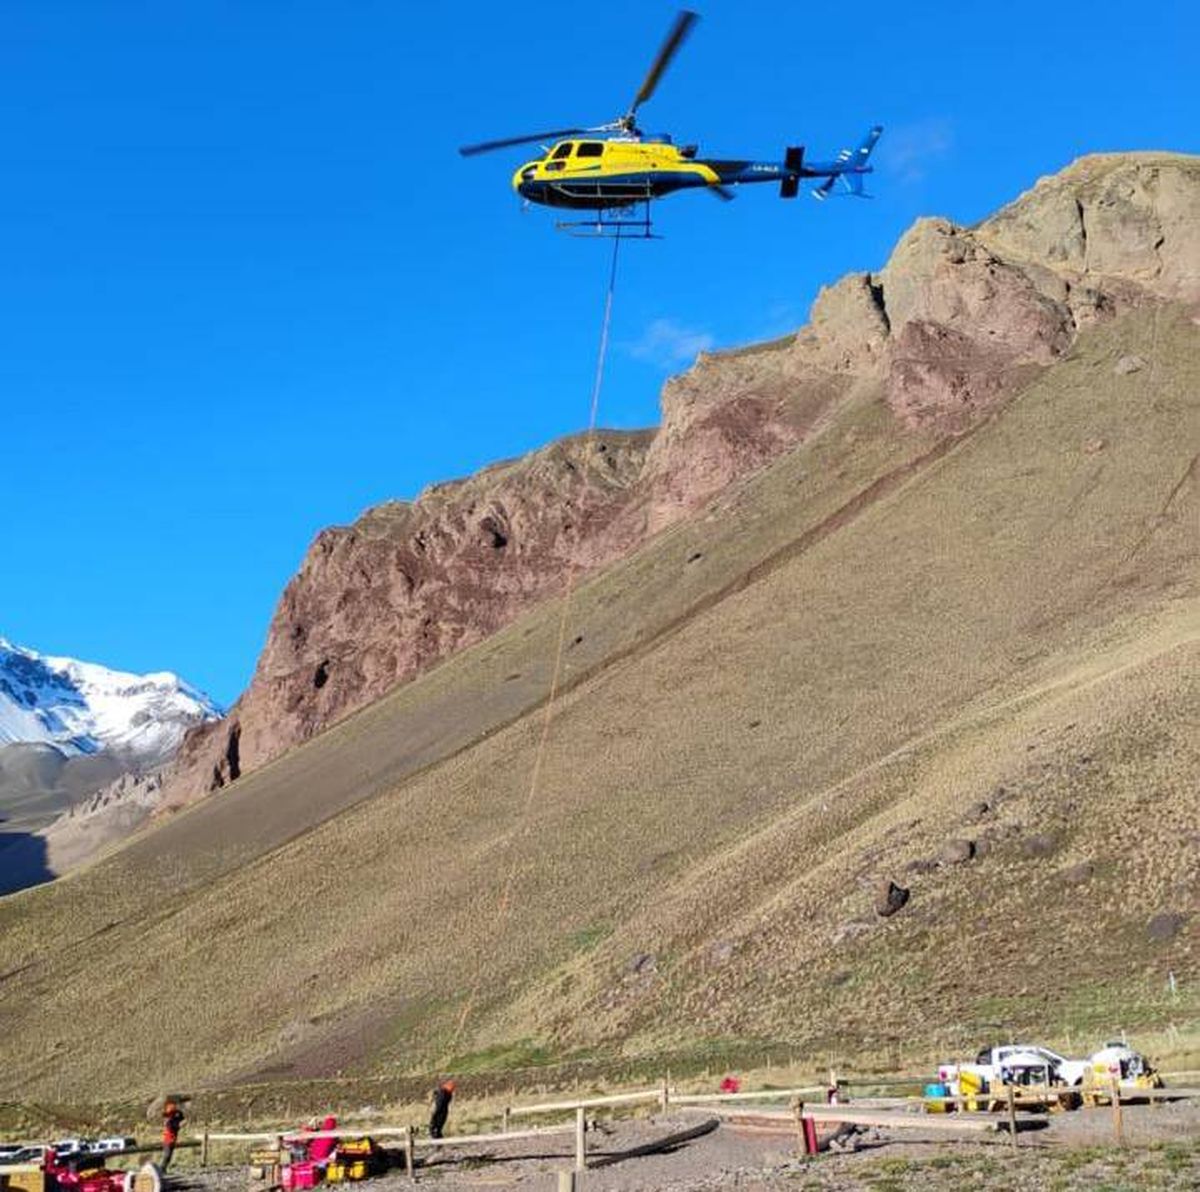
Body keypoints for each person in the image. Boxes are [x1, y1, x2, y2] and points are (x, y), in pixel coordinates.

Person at [161, 1098, 185, 1171]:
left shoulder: (176, 1113)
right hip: (168, 1137)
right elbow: (171, 1126)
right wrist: (179, 1125)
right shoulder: (169, 1118)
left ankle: (163, 1168)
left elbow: (181, 1118)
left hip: (172, 1137)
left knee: (169, 1154)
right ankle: (162, 1168)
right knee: (167, 1154)